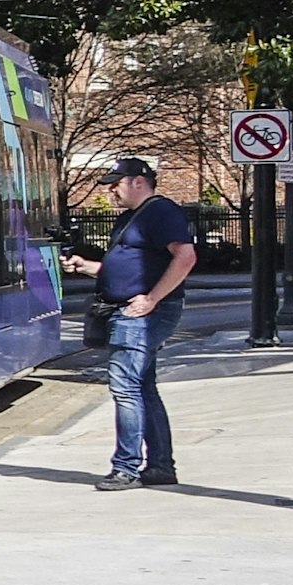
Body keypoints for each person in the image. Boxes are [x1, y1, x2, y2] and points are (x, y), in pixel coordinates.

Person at [70, 157, 198, 490]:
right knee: (142, 387)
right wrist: (86, 266)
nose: (111, 190)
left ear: (138, 181)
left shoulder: (160, 212)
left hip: (142, 313)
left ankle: (126, 468)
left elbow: (186, 256)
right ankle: (159, 467)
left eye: (117, 183)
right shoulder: (132, 218)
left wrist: (152, 298)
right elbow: (125, 267)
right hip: (134, 309)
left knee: (125, 386)